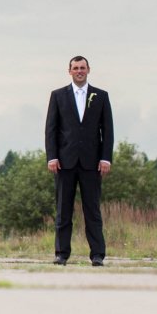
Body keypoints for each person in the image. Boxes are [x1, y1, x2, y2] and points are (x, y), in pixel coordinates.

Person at [44, 55, 113, 265]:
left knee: (92, 210)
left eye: (82, 67)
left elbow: (107, 130)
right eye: (75, 68)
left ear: (88, 70)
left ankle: (98, 255)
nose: (79, 71)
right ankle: (61, 254)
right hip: (65, 162)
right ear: (70, 71)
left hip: (92, 164)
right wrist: (52, 157)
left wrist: (105, 158)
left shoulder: (100, 96)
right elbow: (51, 129)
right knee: (63, 211)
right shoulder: (58, 96)